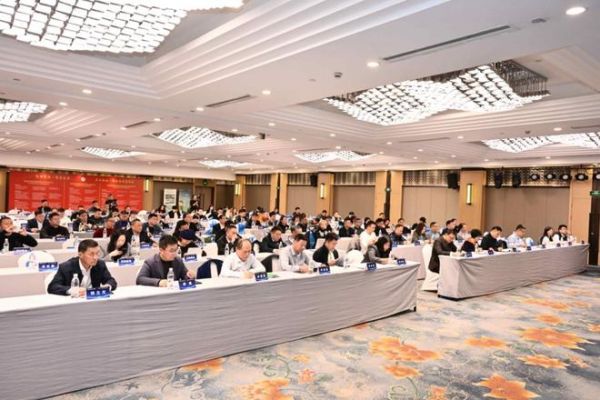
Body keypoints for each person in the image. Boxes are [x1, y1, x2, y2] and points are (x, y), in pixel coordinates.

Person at [48, 239, 117, 296]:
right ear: (80, 255)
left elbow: (111, 280)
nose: (95, 257)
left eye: (97, 253)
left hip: (93, 301)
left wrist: (107, 286)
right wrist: (72, 290)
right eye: (91, 254)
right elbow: (52, 287)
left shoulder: (100, 264)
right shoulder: (66, 267)